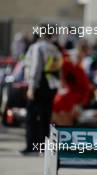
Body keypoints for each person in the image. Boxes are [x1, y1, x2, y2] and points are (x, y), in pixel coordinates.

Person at [21, 24, 62, 154]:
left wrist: (32, 87)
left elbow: (35, 67)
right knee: (45, 116)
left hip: (39, 84)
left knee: (31, 117)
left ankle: (31, 146)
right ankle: (43, 147)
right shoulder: (54, 48)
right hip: (51, 85)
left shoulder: (37, 47)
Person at [52, 40, 95, 126]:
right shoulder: (69, 60)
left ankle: (66, 127)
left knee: (60, 105)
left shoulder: (71, 62)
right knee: (60, 106)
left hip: (76, 92)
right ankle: (66, 127)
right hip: (75, 91)